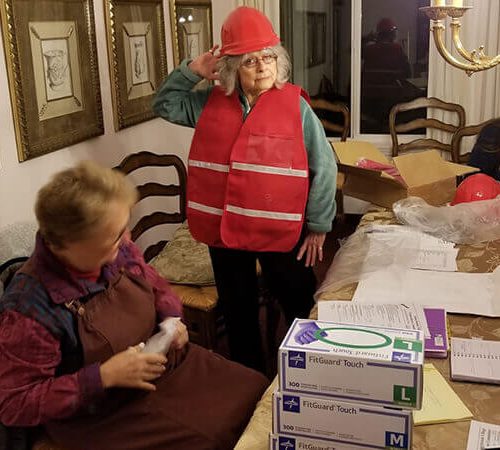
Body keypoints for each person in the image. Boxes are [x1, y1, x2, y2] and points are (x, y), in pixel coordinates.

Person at [0, 161, 268, 450]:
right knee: (216, 437)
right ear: (71, 245)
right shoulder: (28, 308)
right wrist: (103, 376)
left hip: (167, 368)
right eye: (116, 236)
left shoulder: (117, 249)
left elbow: (156, 286)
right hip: (106, 411)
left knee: (256, 389)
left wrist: (170, 319)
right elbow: (15, 403)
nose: (127, 240)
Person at [153, 6, 337, 372]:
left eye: (269, 57)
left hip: (281, 230)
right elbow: (165, 104)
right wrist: (193, 70)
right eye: (251, 61)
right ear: (233, 67)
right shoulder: (209, 103)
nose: (263, 67)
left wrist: (318, 224)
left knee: (298, 301)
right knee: (238, 310)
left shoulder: (295, 107)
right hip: (226, 231)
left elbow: (324, 165)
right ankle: (249, 378)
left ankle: (314, 371)